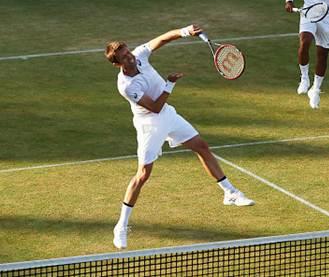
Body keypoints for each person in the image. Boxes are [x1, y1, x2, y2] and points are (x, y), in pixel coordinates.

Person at [105, 24, 255, 249]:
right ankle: (121, 225)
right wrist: (170, 84)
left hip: (167, 114)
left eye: (128, 53)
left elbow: (162, 39)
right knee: (143, 175)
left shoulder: (138, 55)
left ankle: (229, 193)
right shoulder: (126, 86)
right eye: (125, 58)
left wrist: (185, 31)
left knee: (201, 146)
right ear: (117, 64)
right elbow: (154, 107)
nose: (130, 57)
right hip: (149, 124)